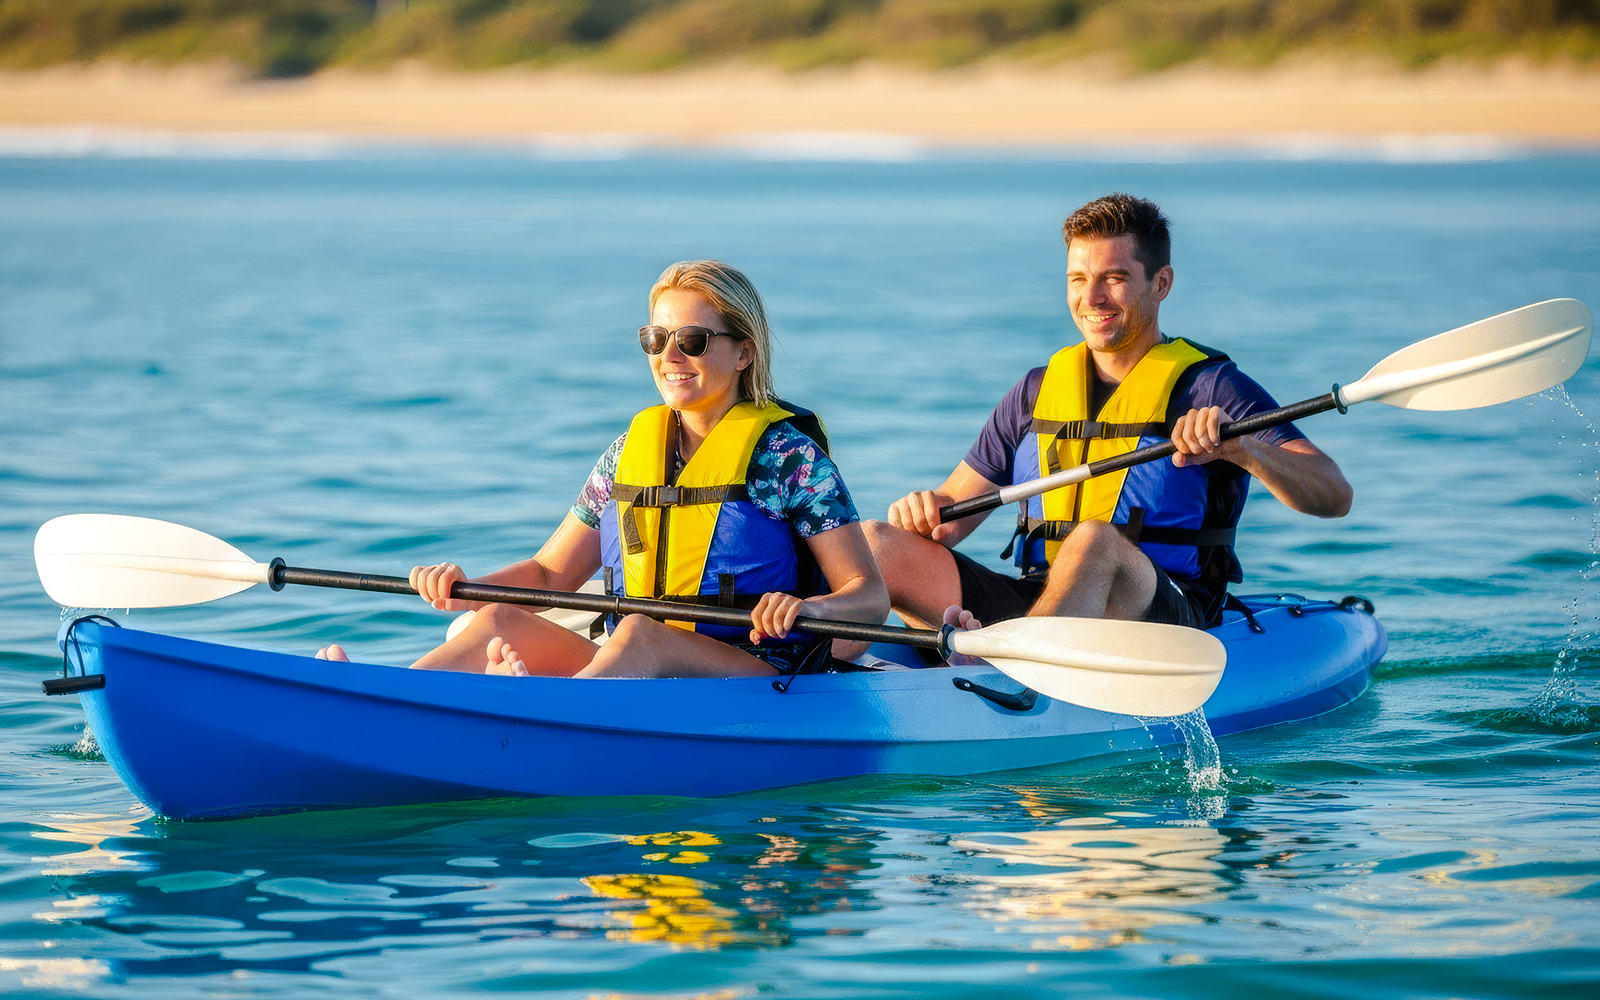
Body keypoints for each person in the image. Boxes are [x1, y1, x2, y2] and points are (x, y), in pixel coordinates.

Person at [320, 259, 888, 678]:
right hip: (637, 673)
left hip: (757, 675)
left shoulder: (787, 459)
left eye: (692, 340)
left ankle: (547, 722)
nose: (670, 357)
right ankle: (382, 697)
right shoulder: (626, 453)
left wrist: (805, 607)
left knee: (644, 634)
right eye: (655, 339)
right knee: (498, 621)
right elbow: (548, 576)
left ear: (744, 353)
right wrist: (463, 590)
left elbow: (868, 597)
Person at [850, 193, 1352, 644]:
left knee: (1093, 541)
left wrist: (1243, 449)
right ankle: (805, 679)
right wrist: (923, 512)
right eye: (1078, 279)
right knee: (877, 543)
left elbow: (1333, 496)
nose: (1091, 299)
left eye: (1113, 279)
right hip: (1039, 600)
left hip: (1163, 615)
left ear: (1161, 284)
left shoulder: (1212, 388)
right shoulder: (1036, 390)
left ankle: (1019, 673)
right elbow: (950, 518)